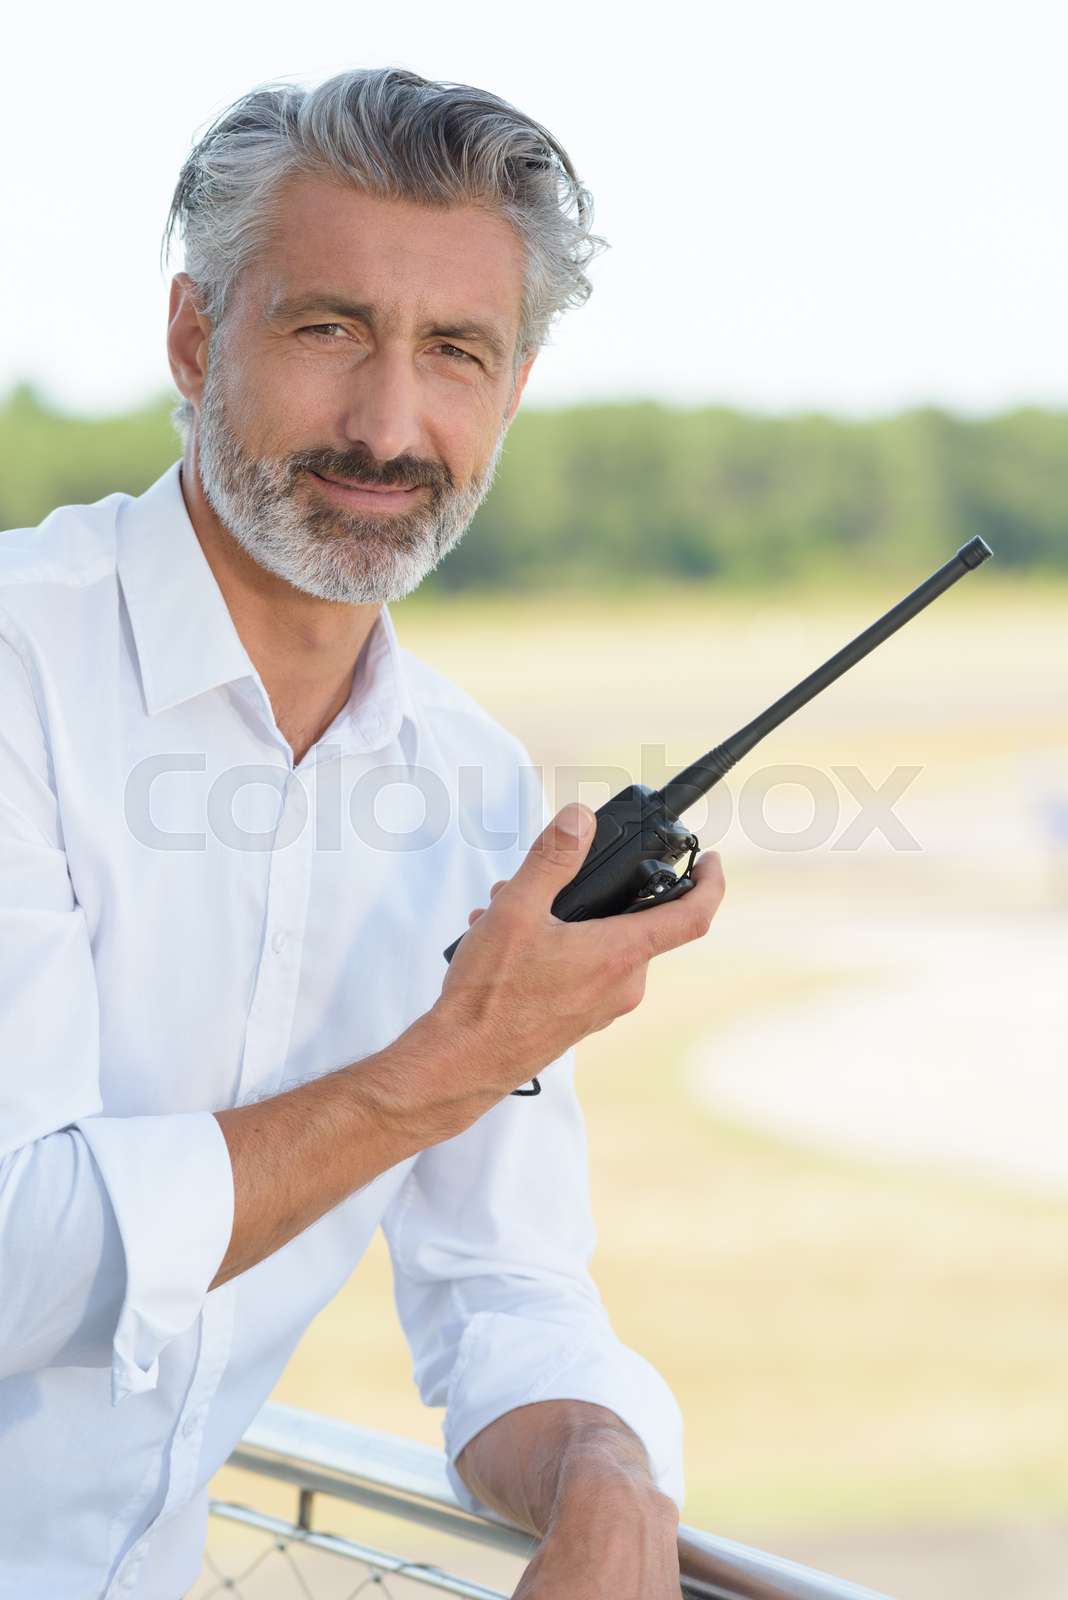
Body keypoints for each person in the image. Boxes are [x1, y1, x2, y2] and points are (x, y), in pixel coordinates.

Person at [0, 68, 724, 1599]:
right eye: (328, 329)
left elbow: (501, 1288)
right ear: (196, 338)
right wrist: (443, 1065)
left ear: (512, 388)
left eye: (455, 350)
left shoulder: (471, 790)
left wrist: (609, 1473)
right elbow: (17, 1256)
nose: (390, 426)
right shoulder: (14, 673)